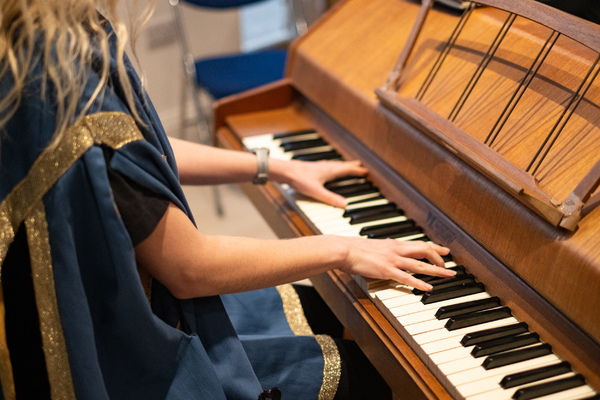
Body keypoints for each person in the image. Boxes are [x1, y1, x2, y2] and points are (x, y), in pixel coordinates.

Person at [0, 1, 453, 399]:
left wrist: (273, 166)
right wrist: (345, 248)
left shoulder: (32, 44)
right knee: (372, 367)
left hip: (109, 308)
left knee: (330, 311)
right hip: (121, 350)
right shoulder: (56, 84)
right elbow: (190, 269)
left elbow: (132, 157)